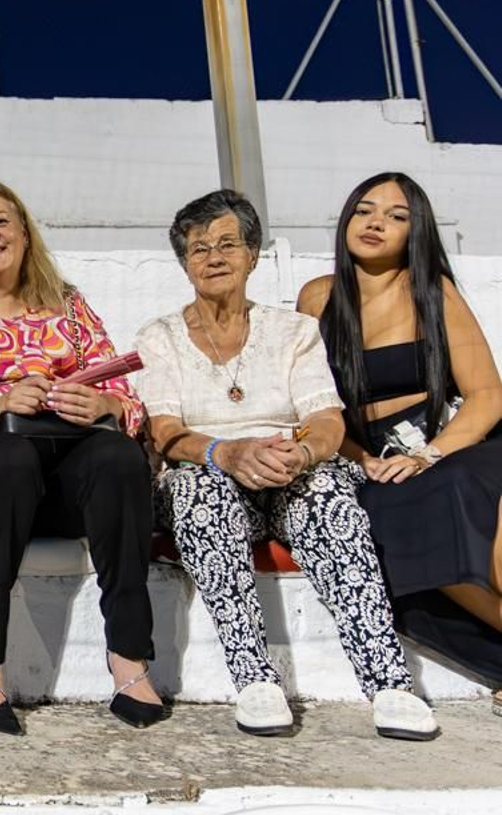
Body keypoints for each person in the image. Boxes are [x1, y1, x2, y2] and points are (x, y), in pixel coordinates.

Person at [137, 188, 438, 740]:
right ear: (184, 263)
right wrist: (225, 453)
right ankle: (255, 679)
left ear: (253, 254)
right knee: (200, 495)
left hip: (288, 469)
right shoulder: (161, 338)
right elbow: (166, 432)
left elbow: (327, 421)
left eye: (228, 243)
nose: (214, 257)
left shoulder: (294, 332)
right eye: (198, 248)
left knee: (329, 500)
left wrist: (299, 453)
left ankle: (390, 682)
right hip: (207, 471)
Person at [0, 180, 163, 735]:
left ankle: (130, 657)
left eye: (0, 221)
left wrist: (101, 402)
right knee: (9, 456)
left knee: (117, 458)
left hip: (60, 472)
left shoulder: (67, 304)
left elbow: (129, 403)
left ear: (23, 233)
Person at [298, 172, 502, 715]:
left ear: (416, 232)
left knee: (453, 488)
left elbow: (486, 395)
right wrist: (362, 459)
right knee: (380, 525)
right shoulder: (317, 298)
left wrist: (427, 455)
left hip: (450, 444)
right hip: (370, 461)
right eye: (365, 210)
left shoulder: (432, 289)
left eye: (396, 215)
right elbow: (307, 404)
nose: (375, 223)